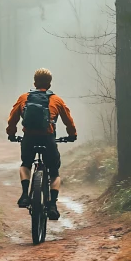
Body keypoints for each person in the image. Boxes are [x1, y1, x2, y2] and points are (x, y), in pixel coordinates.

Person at [6, 68, 77, 220]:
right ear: (49, 84)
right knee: (54, 172)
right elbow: (68, 120)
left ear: (34, 82)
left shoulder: (24, 97)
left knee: (26, 164)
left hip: (29, 138)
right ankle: (52, 205)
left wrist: (11, 134)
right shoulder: (56, 100)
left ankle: (25, 195)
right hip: (48, 138)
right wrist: (72, 135)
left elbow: (13, 118)